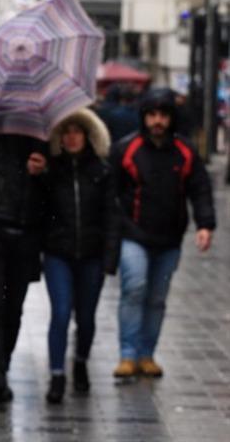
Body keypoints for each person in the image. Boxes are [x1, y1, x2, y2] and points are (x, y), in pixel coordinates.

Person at [110, 88, 215, 378]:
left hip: (169, 238)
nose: (158, 121)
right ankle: (128, 353)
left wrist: (205, 224)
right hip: (134, 233)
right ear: (144, 117)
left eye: (163, 116)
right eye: (152, 115)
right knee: (135, 288)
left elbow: (200, 188)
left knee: (157, 297)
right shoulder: (127, 149)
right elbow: (112, 191)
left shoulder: (184, 151)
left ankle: (146, 353)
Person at [40, 109, 117, 403]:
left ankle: (81, 362)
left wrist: (110, 258)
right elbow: (40, 212)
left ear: (88, 136)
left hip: (92, 255)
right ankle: (57, 374)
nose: (72, 137)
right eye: (66, 131)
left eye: (78, 131)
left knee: (85, 318)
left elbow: (112, 216)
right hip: (58, 253)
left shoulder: (102, 171)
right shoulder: (52, 171)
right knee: (60, 312)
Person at [0, 125, 48, 403]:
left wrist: (42, 173)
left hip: (27, 229)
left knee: (14, 305)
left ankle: (1, 363)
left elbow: (54, 191)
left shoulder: (44, 135)